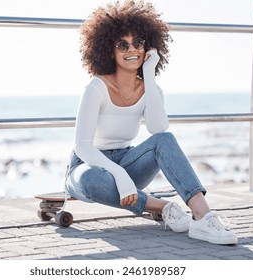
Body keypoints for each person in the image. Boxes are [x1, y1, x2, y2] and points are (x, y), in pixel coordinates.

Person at [65, 0, 237, 245]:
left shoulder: (150, 88)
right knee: (90, 180)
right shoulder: (96, 88)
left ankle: (203, 216)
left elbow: (158, 129)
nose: (131, 49)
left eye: (138, 42)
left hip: (128, 161)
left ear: (148, 46)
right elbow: (83, 145)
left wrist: (149, 73)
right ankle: (162, 206)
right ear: (108, 50)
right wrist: (118, 174)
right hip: (88, 166)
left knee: (165, 140)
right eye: (122, 44)